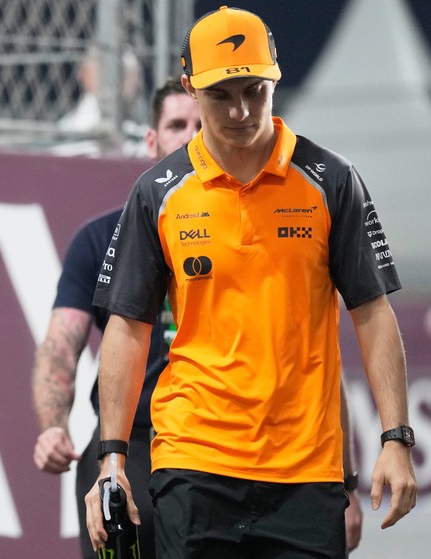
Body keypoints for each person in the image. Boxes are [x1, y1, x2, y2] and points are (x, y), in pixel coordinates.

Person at [84, 6, 416, 559]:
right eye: (221, 95)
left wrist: (395, 439)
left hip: (307, 471)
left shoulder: (331, 181)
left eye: (255, 91)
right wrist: (112, 459)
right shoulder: (158, 192)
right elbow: (127, 327)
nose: (241, 111)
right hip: (193, 463)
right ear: (191, 88)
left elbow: (373, 314)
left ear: (276, 77)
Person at [34, 77, 200, 559]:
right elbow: (60, 345)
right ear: (151, 141)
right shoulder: (101, 236)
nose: (189, 137)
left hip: (217, 438)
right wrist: (51, 424)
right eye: (176, 125)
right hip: (132, 438)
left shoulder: (246, 232)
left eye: (200, 125)